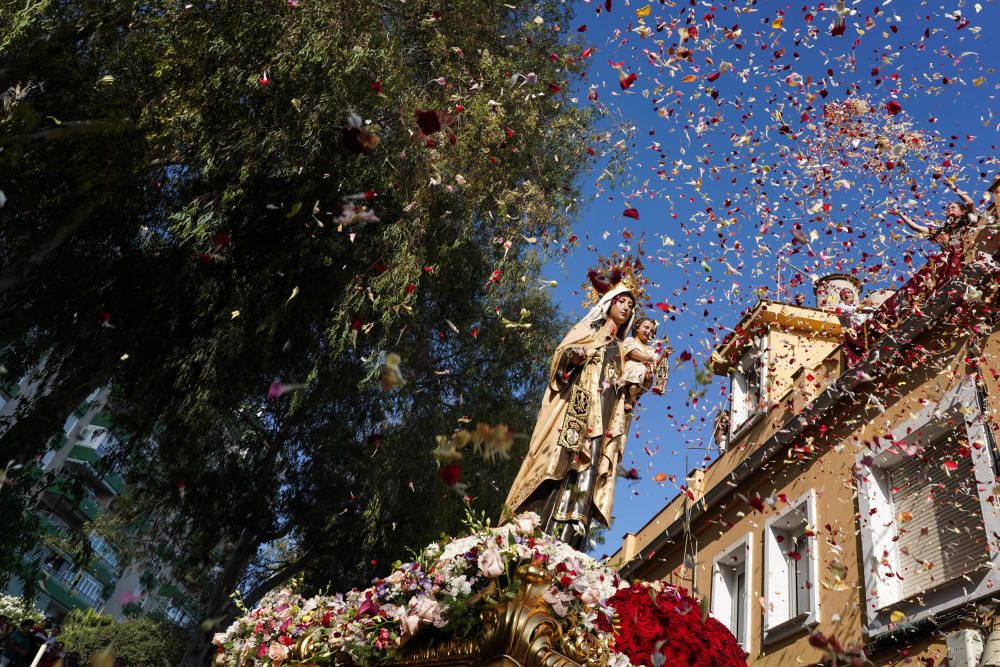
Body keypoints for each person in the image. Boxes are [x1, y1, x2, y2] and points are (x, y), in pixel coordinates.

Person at [504, 284, 649, 549]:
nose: (627, 308)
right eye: (622, 301)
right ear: (609, 303)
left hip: (604, 418)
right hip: (577, 413)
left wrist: (637, 383)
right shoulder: (589, 332)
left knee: (590, 470)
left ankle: (569, 540)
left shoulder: (623, 349)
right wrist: (575, 356)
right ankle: (542, 528)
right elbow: (563, 357)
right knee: (564, 464)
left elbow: (629, 387)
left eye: (631, 306)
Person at [892, 180, 980, 250]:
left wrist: (953, 187)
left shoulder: (969, 219)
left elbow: (969, 203)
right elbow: (917, 228)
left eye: (953, 207)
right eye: (947, 209)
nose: (949, 209)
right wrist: (900, 214)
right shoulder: (942, 231)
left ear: (963, 211)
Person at [621, 317, 665, 412]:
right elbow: (632, 352)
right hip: (629, 370)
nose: (648, 332)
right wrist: (647, 358)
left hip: (643, 378)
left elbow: (657, 361)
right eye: (646, 327)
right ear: (637, 327)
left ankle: (630, 398)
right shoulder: (630, 340)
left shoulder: (650, 350)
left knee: (643, 370)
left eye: (652, 331)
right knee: (638, 368)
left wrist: (664, 354)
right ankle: (627, 386)